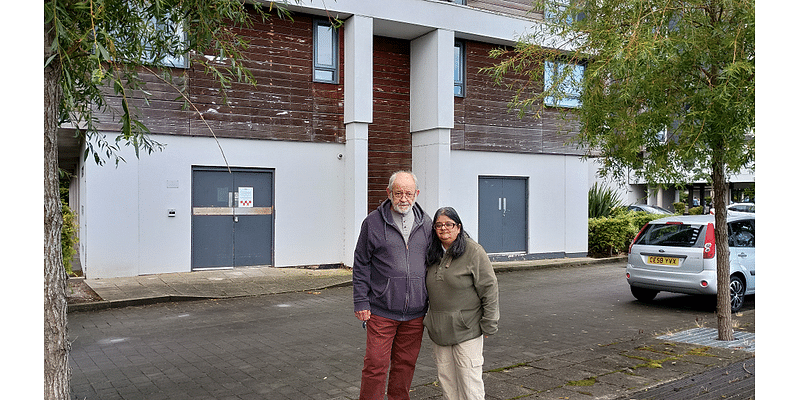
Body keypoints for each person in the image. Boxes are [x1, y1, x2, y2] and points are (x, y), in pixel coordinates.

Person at [353, 171, 433, 400]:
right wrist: (361, 301)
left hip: (416, 313)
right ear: (388, 193)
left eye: (409, 193)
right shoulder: (373, 223)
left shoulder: (426, 223)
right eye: (398, 193)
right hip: (381, 310)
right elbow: (361, 262)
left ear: (416, 194)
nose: (403, 198)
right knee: (375, 365)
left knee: (405, 364)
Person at [424, 207, 499, 400]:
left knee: (470, 385)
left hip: (467, 331)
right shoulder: (432, 253)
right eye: (439, 225)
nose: (444, 229)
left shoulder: (473, 251)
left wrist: (489, 323)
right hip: (439, 333)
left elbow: (489, 288)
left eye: (449, 224)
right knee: (448, 385)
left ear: (458, 227)